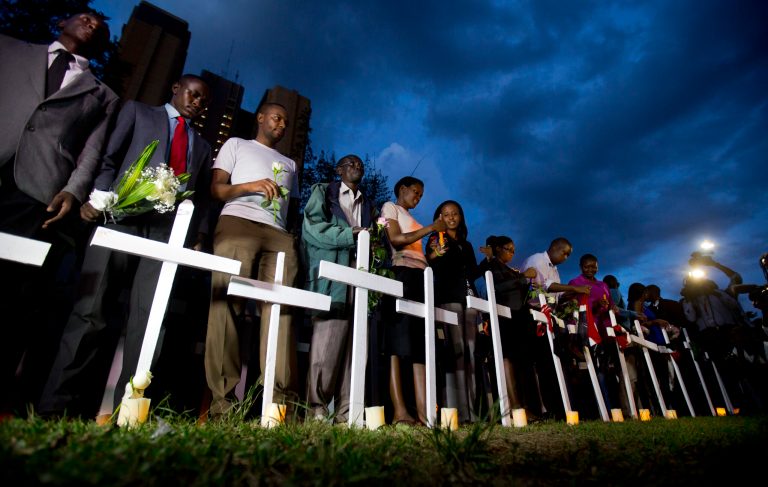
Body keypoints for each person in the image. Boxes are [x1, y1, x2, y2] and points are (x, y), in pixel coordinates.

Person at [39, 75, 213, 419]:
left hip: (165, 233)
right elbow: (109, 157)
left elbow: (202, 197)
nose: (197, 102)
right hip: (119, 217)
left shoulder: (204, 147)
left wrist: (197, 235)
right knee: (91, 310)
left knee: (150, 321)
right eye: (193, 94)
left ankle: (129, 412)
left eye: (203, 100)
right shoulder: (137, 112)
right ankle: (58, 407)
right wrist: (98, 197)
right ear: (175, 88)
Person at [0, 12, 119, 415]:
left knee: (15, 294)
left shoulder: (102, 94)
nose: (92, 23)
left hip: (35, 192)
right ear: (61, 23)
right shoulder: (10, 48)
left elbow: (92, 150)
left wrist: (72, 189)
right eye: (85, 17)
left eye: (101, 26)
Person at [205, 103, 300, 418]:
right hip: (238, 222)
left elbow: (293, 206)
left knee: (281, 311)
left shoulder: (290, 163)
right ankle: (223, 403)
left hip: (279, 234)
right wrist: (250, 186)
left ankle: (277, 405)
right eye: (277, 117)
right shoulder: (236, 144)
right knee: (227, 304)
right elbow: (217, 189)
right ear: (260, 118)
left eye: (286, 121)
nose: (281, 124)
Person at [301, 155, 377, 423]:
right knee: (327, 342)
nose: (357, 167)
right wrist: (350, 235)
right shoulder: (324, 191)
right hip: (332, 274)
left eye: (360, 165)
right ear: (339, 169)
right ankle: (316, 409)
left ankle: (347, 413)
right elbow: (312, 229)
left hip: (360, 274)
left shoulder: (368, 203)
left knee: (354, 346)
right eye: (351, 163)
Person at [381, 176, 446, 425]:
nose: (418, 198)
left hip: (421, 276)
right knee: (398, 342)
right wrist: (430, 228)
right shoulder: (390, 208)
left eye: (421, 195)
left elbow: (417, 247)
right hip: (402, 273)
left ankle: (424, 411)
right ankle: (399, 410)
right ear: (402, 189)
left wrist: (433, 254)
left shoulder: (413, 219)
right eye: (415, 192)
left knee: (420, 343)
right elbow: (396, 240)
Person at [520, 237, 589, 419]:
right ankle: (540, 408)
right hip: (530, 314)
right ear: (555, 248)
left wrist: (568, 297)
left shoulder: (554, 269)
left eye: (568, 255)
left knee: (549, 364)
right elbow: (544, 287)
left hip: (546, 316)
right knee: (537, 364)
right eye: (564, 253)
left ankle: (555, 408)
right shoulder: (538, 260)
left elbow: (554, 295)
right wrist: (576, 289)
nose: (566, 257)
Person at [425, 200, 480, 423]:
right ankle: (456, 411)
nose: (451, 217)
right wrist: (436, 254)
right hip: (449, 298)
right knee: (455, 352)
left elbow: (474, 272)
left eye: (455, 213)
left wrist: (490, 260)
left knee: (472, 352)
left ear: (461, 217)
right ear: (439, 217)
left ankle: (473, 411)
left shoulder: (466, 245)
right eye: (446, 214)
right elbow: (430, 263)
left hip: (470, 300)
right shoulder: (435, 239)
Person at [478, 236, 537, 417]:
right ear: (497, 249)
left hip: (518, 317)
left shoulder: (510, 268)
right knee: (506, 360)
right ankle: (513, 405)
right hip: (503, 317)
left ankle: (524, 405)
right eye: (508, 248)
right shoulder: (492, 265)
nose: (511, 253)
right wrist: (522, 277)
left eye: (513, 250)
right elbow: (497, 287)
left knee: (520, 362)